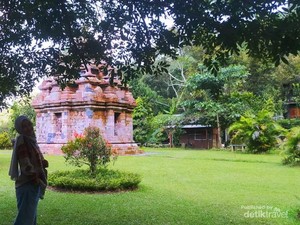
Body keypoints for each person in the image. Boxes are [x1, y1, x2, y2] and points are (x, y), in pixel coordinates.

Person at [9, 115, 48, 225]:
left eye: (29, 124)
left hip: (32, 184)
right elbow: (25, 164)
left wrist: (42, 162)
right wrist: (35, 178)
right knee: (24, 220)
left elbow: (33, 159)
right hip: (27, 184)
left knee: (30, 218)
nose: (28, 128)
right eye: (24, 126)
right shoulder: (22, 141)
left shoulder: (31, 140)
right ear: (20, 129)